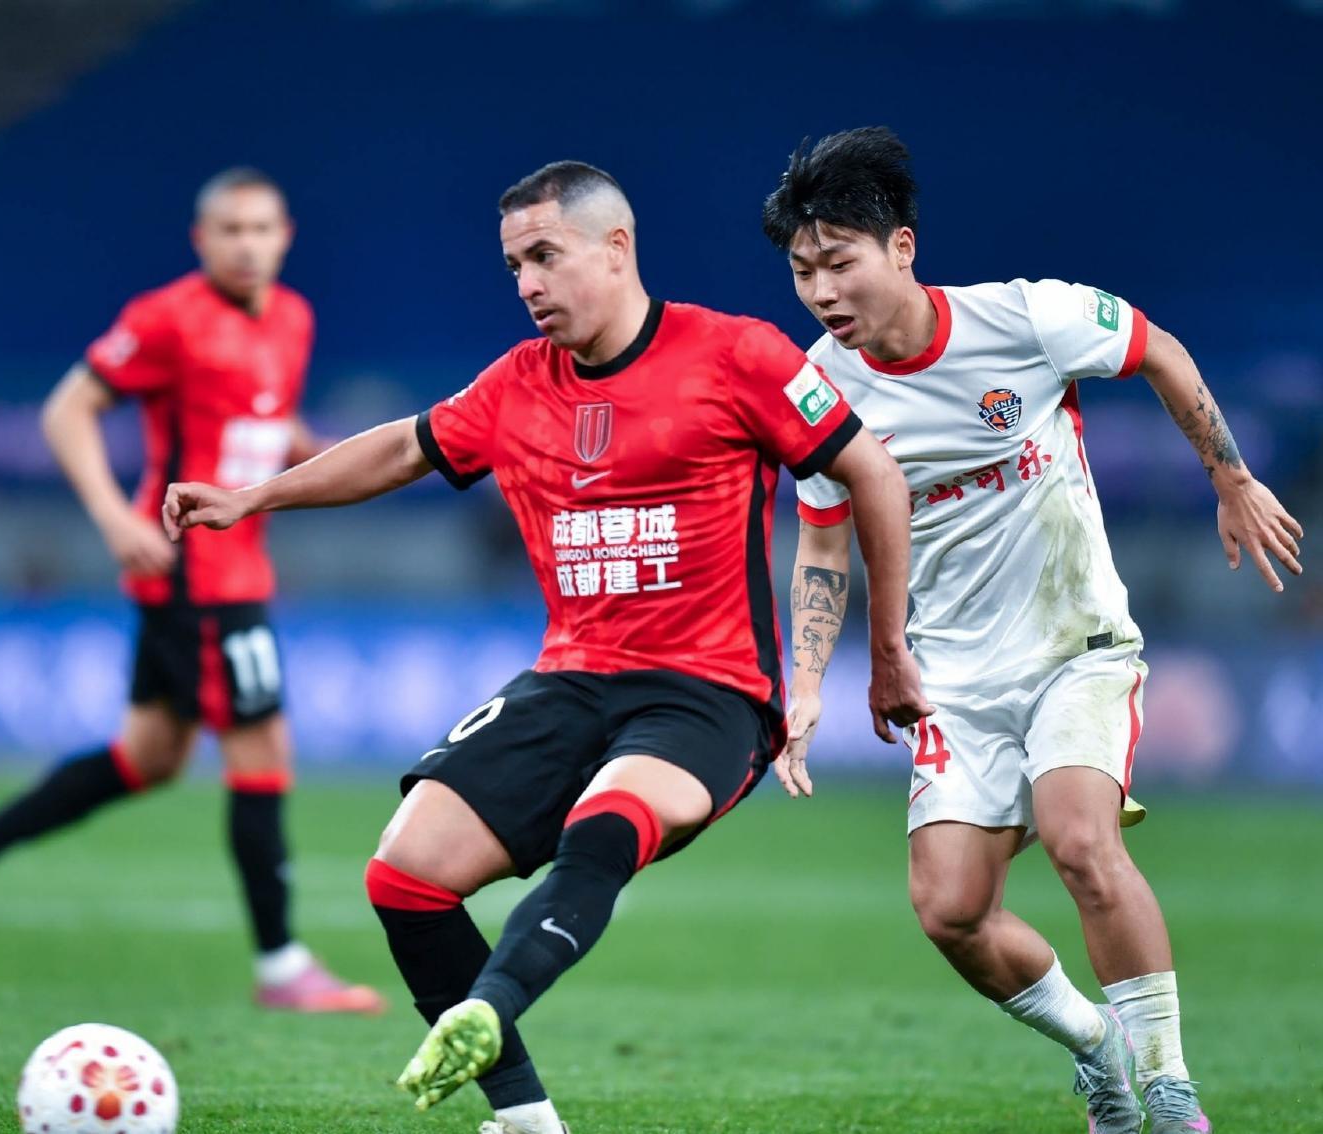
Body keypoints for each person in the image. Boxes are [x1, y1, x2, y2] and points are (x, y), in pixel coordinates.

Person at [165, 160, 929, 1133]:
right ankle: (526, 1120)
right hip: (571, 681)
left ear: (615, 249)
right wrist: (250, 498)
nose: (526, 283)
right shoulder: (517, 384)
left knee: (602, 828)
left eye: (543, 256)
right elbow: (402, 447)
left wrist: (888, 650)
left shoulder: (736, 354)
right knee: (405, 873)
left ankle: (490, 1005)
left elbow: (873, 473)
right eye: (513, 266)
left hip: (707, 694)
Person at [768, 126, 1302, 1134]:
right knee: (950, 910)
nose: (823, 291)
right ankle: (1099, 1048)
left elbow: (1159, 350)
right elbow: (824, 545)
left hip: (1075, 647)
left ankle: (1170, 1090)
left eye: (840, 261)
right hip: (952, 679)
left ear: (902, 248)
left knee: (1079, 840)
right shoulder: (818, 387)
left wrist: (1229, 479)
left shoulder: (1025, 319)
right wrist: (804, 685)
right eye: (803, 271)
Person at [0, 168, 384, 1015]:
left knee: (150, 756)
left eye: (261, 228)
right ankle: (281, 968)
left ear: (285, 237)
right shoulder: (166, 318)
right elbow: (66, 410)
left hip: (234, 569)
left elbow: (265, 424)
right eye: (230, 229)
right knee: (262, 752)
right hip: (199, 573)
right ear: (201, 240)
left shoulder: (293, 319)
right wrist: (112, 518)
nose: (246, 244)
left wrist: (344, 459)